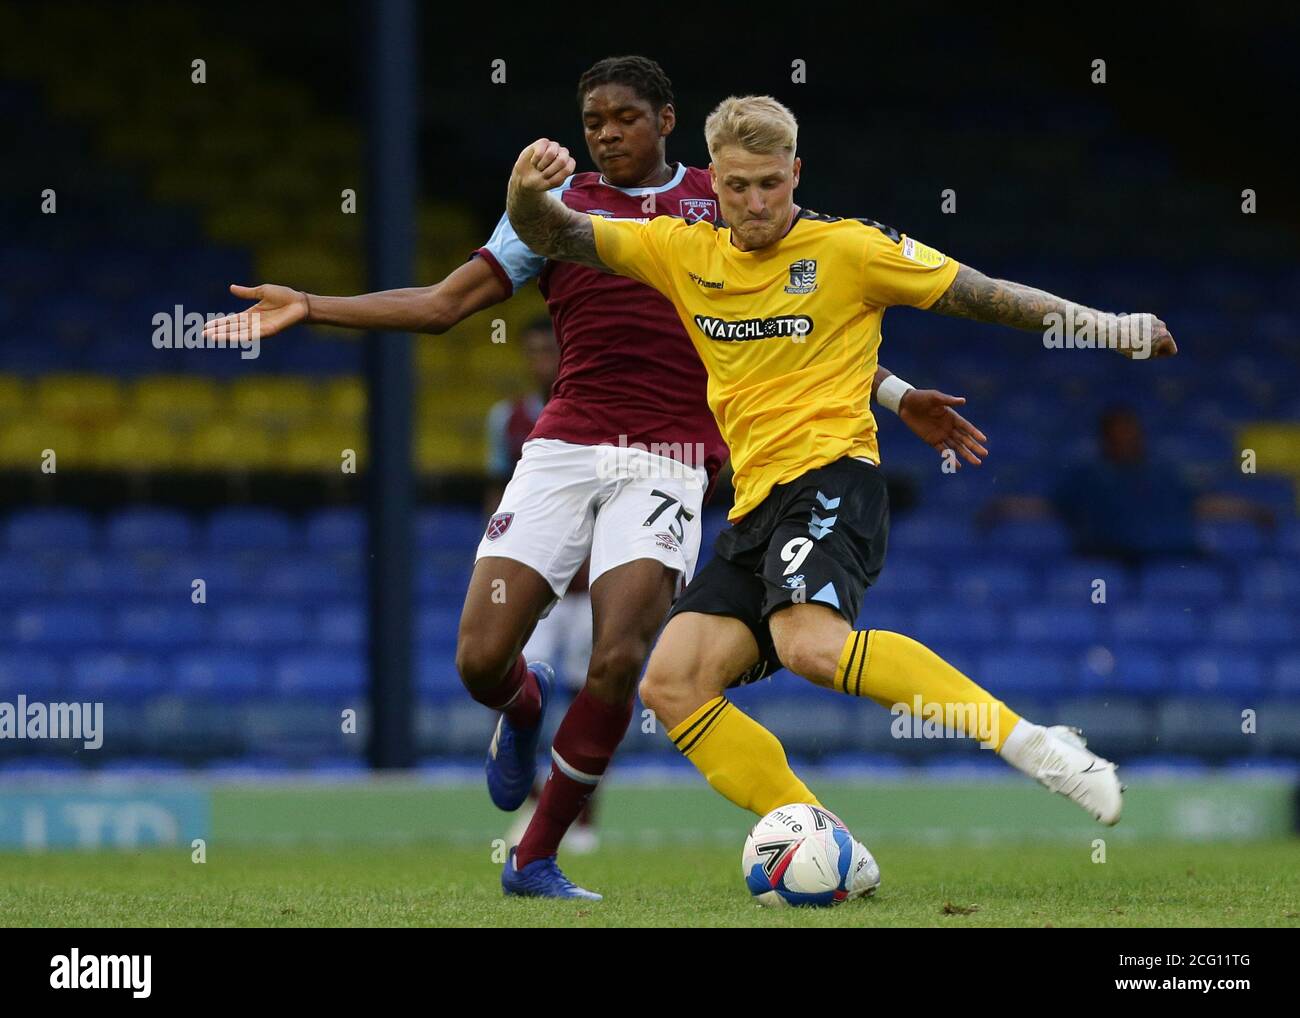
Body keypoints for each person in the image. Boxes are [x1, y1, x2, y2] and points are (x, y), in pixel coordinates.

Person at [205, 60, 986, 900]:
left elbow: (793, 323)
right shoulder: (556, 210)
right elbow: (442, 306)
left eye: (623, 117)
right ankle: (523, 705)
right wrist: (312, 305)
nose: (606, 132)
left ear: (666, 121)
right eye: (592, 120)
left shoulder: (720, 201)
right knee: (478, 661)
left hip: (670, 459)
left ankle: (534, 858)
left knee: (619, 657)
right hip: (564, 447)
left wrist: (897, 394)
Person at [504, 94, 1179, 890]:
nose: (755, 204)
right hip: (754, 507)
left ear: (797, 173)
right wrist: (523, 191)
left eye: (770, 185)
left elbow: (986, 293)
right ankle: (834, 851)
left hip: (834, 478)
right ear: (709, 184)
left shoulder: (851, 250)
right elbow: (554, 233)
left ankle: (1036, 744)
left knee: (808, 645)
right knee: (673, 684)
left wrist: (1109, 327)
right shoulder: (676, 250)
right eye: (737, 187)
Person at [484, 317, 599, 853]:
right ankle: (534, 802)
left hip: (592, 587)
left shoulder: (603, 412)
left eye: (549, 351)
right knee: (517, 693)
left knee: (592, 698)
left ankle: (580, 819)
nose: (541, 362)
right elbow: (497, 496)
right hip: (537, 593)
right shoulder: (507, 419)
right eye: (531, 352)